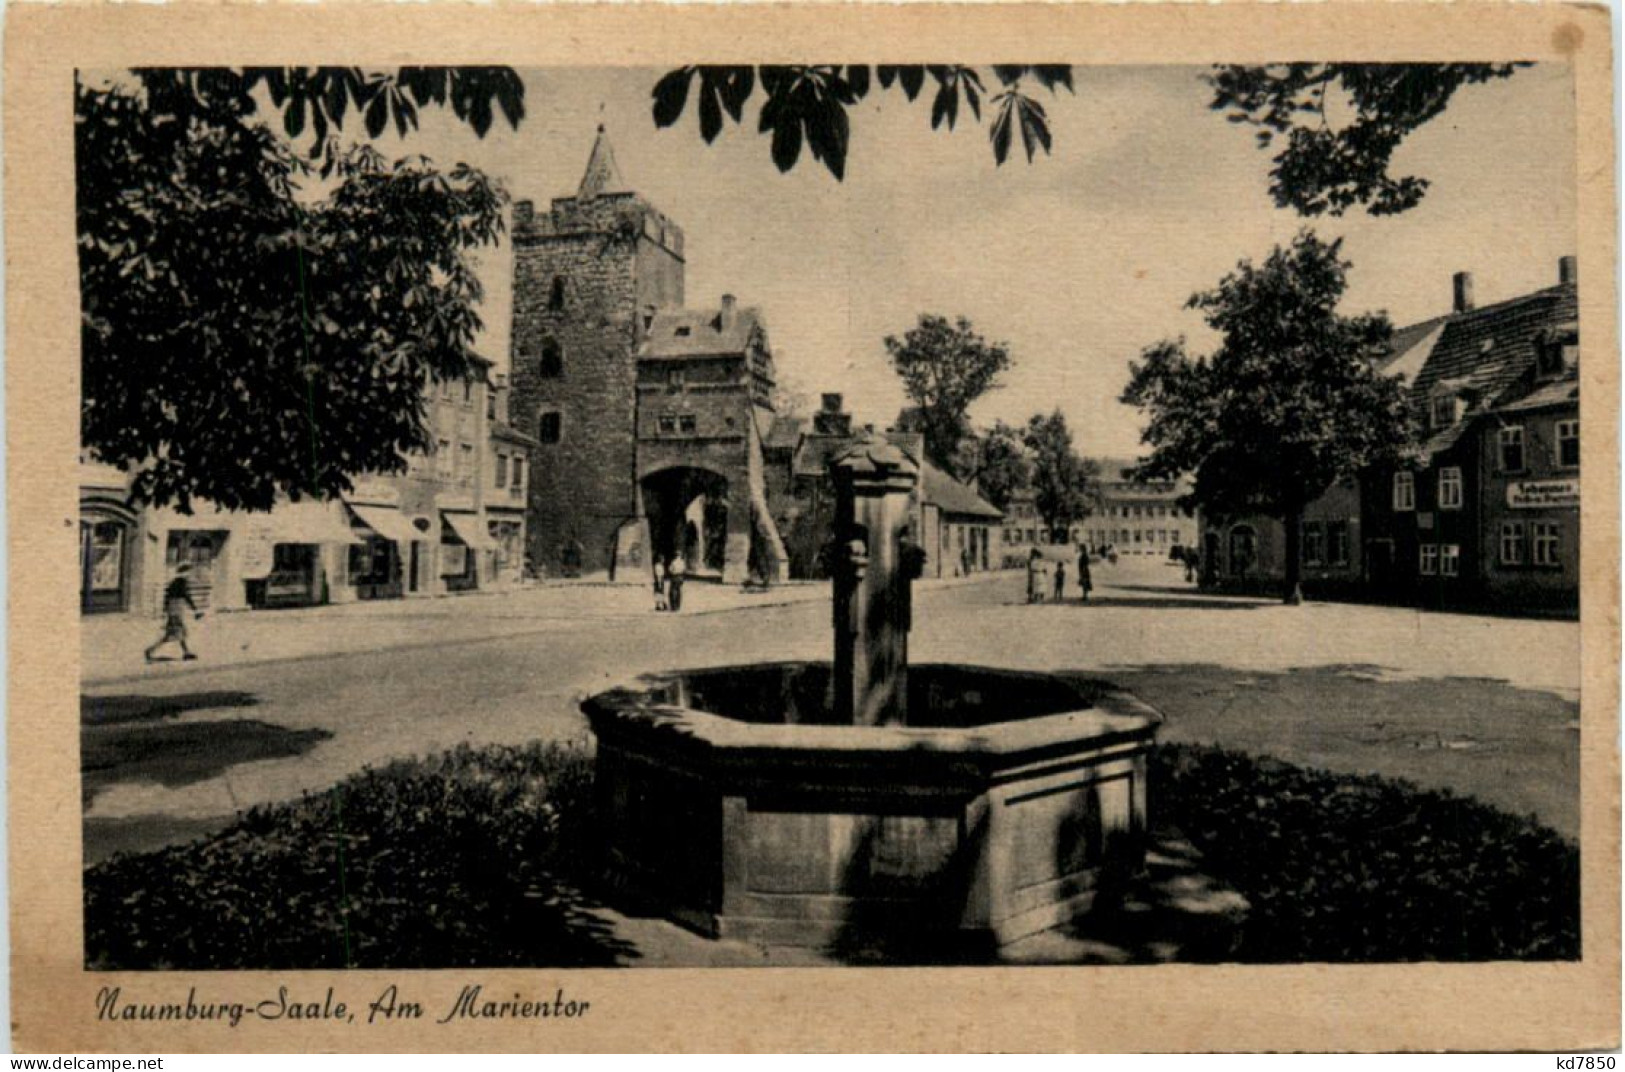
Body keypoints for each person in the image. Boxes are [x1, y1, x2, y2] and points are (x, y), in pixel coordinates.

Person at [145, 564, 202, 663]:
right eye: (189, 572)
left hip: (173, 609)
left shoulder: (173, 582)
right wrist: (195, 609)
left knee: (177, 632)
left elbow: (167, 597)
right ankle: (150, 650)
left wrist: (165, 609)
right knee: (175, 632)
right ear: (185, 572)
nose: (190, 575)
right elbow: (186, 596)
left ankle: (186, 652)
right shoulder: (182, 582)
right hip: (177, 610)